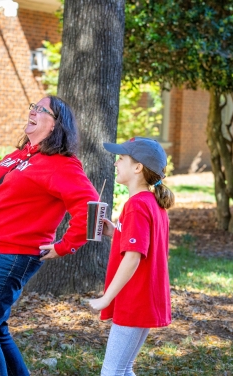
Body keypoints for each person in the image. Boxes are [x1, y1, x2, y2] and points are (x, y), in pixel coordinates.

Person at [0, 95, 99, 376]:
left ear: (55, 125)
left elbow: (91, 209)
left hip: (12, 255)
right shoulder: (21, 155)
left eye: (42, 109)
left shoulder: (62, 164)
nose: (33, 111)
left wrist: (65, 246)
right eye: (33, 107)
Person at [89, 137, 175, 376]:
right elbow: (144, 244)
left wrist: (107, 298)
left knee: (112, 372)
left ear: (138, 167)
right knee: (124, 369)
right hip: (146, 298)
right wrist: (114, 231)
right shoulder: (153, 203)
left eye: (121, 159)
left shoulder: (136, 205)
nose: (116, 163)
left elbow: (133, 257)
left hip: (134, 299)